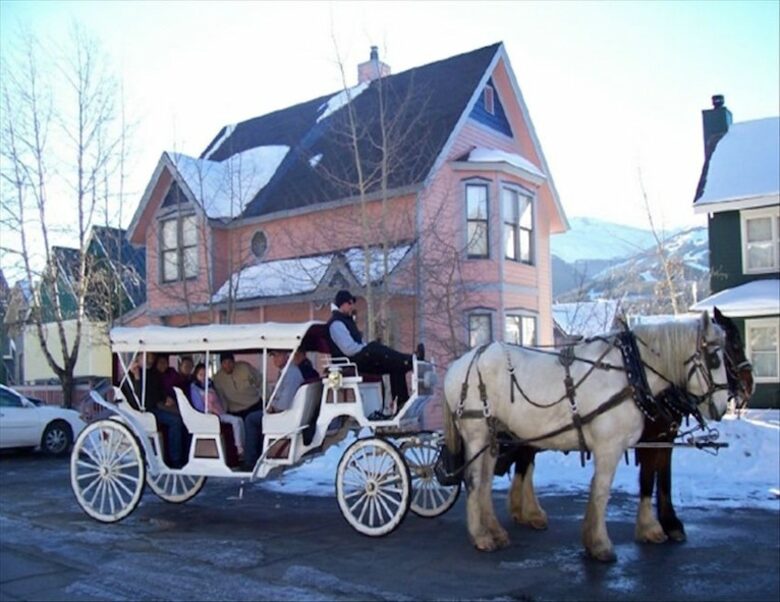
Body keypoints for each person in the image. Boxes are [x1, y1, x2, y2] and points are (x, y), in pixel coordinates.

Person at [326, 289, 423, 412]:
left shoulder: (346, 321)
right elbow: (349, 349)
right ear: (343, 304)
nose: (352, 306)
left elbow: (356, 345)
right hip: (351, 362)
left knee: (396, 366)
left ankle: (401, 402)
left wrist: (365, 347)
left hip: (356, 359)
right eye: (350, 303)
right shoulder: (336, 324)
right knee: (375, 347)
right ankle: (411, 360)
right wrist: (366, 348)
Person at [242, 348, 315, 470]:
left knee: (250, 419)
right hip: (287, 412)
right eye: (273, 356)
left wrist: (272, 409)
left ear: (286, 356)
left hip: (286, 415)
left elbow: (283, 404)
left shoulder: (291, 373)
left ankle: (250, 461)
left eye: (277, 355)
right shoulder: (286, 372)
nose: (274, 359)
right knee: (257, 415)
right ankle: (258, 454)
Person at [126, 352, 188, 468]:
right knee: (176, 421)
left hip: (154, 408)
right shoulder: (129, 376)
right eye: (148, 357)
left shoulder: (152, 373)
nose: (150, 360)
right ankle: (175, 459)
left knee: (183, 417)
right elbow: (139, 399)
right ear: (138, 357)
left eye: (152, 357)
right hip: (143, 412)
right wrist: (137, 377)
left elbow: (157, 392)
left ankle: (181, 455)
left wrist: (166, 399)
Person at [190, 363, 245, 458]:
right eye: (200, 375)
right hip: (209, 415)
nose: (203, 377)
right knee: (235, 421)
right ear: (196, 375)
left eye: (205, 374)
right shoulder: (195, 388)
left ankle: (242, 446)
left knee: (239, 420)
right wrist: (208, 412)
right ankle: (239, 448)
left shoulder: (210, 385)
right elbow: (198, 405)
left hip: (219, 412)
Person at [212, 351, 263, 418]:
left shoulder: (244, 367)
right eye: (224, 363)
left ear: (234, 362)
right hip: (236, 412)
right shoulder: (217, 378)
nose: (227, 365)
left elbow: (259, 381)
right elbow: (221, 398)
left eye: (229, 362)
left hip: (254, 406)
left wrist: (267, 399)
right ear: (221, 364)